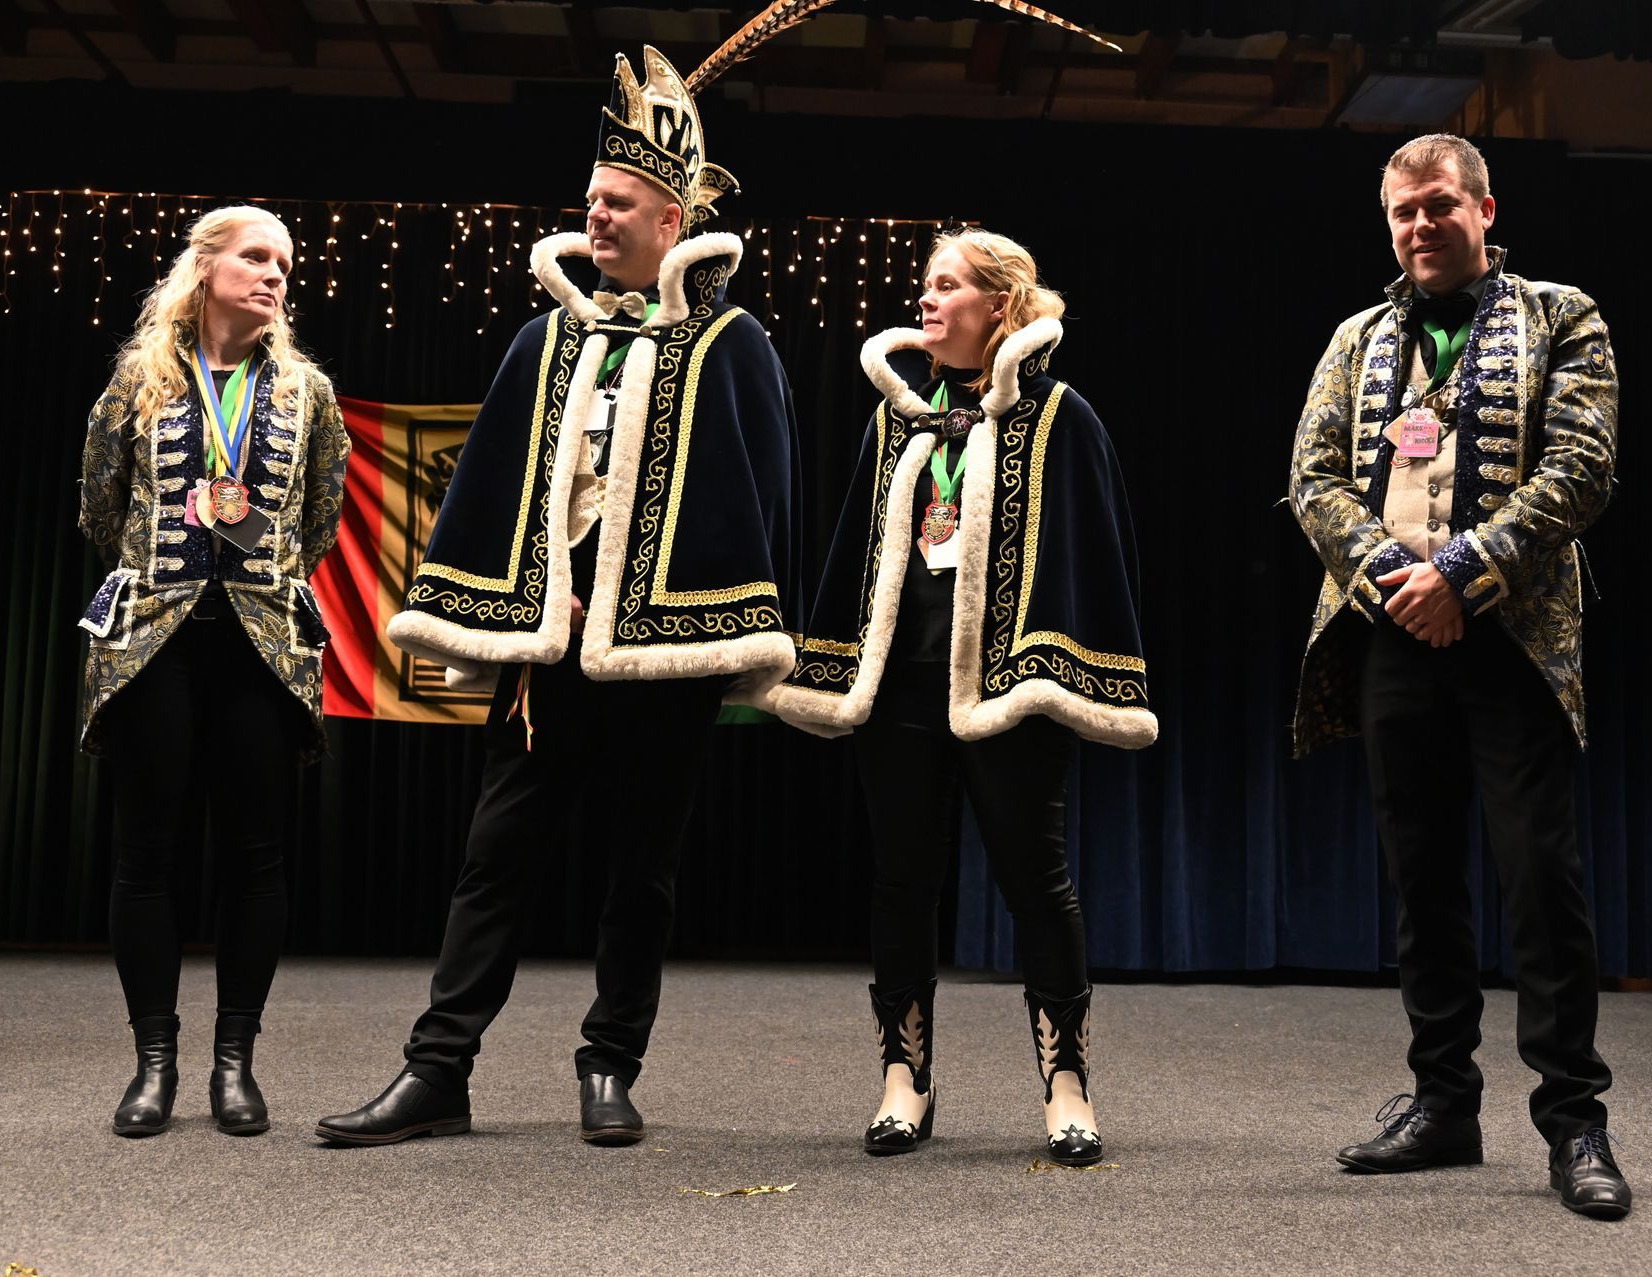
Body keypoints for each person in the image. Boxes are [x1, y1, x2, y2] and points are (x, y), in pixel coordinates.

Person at [315, 45, 798, 1147]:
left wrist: (685, 620)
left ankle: (610, 1064)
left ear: (671, 220)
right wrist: (542, 593)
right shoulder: (548, 337)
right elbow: (502, 489)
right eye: (590, 199)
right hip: (551, 656)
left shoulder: (732, 345)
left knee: (642, 873)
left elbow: (759, 500)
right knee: (495, 860)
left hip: (662, 660)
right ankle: (438, 1070)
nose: (595, 216)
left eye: (617, 202)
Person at [1288, 134, 1629, 1218]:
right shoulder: (1356, 336)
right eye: (1403, 211)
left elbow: (1582, 468)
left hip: (1515, 637)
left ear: (1485, 209)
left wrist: (1463, 573)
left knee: (1540, 878)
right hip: (1392, 628)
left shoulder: (1561, 316)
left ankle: (1575, 1122)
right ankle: (1444, 1103)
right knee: (1421, 877)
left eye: (1439, 204)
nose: (1420, 225)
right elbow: (1312, 478)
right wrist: (1398, 576)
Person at [772, 229, 1155, 1166]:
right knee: (902, 881)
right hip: (901, 685)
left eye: (948, 286)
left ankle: (1067, 1085)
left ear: (1000, 305)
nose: (927, 300)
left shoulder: (1059, 415)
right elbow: (858, 550)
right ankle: (904, 1080)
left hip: (1007, 691)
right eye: (926, 286)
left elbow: (1095, 553)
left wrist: (1064, 672)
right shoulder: (897, 419)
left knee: (1037, 883)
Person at [78, 204, 349, 1137]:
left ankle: (236, 1063)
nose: (275, 275)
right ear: (205, 268)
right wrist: (170, 565)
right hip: (154, 639)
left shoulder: (307, 392)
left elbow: (319, 518)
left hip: (261, 644)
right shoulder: (139, 380)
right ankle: (153, 1062)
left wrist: (249, 570)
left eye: (285, 264)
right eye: (257, 257)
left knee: (256, 857)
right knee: (145, 854)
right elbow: (100, 504)